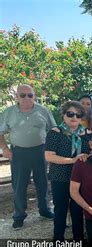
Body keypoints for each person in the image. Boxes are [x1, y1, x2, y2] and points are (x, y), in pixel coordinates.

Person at [0, 84, 56, 230]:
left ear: (34, 96)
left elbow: (53, 130)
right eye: (22, 95)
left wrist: (52, 150)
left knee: (42, 183)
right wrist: (4, 148)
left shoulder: (43, 110)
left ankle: (44, 211)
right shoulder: (8, 112)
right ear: (16, 97)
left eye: (30, 95)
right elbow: (0, 132)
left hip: (40, 151)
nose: (26, 98)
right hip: (18, 153)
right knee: (19, 185)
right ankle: (19, 216)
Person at [45, 101, 91, 244]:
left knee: (77, 208)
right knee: (60, 209)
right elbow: (49, 156)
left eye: (78, 115)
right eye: (70, 114)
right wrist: (72, 160)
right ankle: (57, 239)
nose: (74, 117)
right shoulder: (55, 133)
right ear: (63, 115)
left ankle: (79, 238)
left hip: (80, 178)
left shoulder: (88, 133)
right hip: (60, 176)